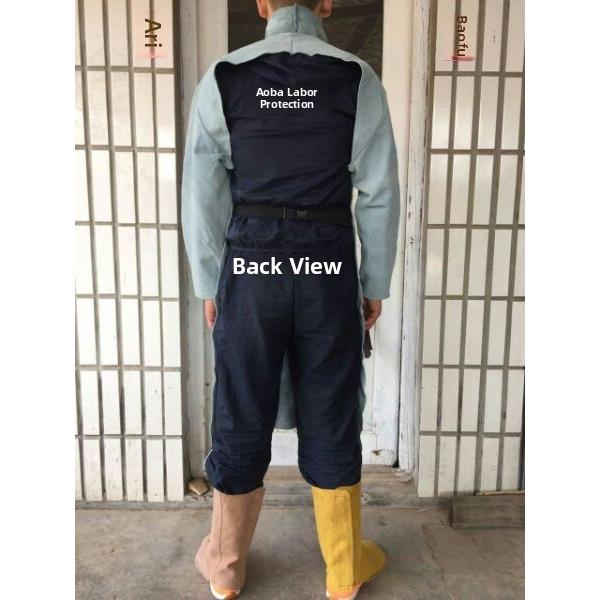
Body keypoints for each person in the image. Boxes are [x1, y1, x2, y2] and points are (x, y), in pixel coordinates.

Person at [182, 0, 400, 598]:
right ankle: (343, 570)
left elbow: (202, 193)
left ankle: (225, 567)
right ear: (326, 4)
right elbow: (378, 193)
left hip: (250, 269)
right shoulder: (356, 77)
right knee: (332, 403)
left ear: (261, 4)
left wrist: (211, 283)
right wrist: (373, 283)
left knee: (240, 401)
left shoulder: (226, 76)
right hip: (327, 266)